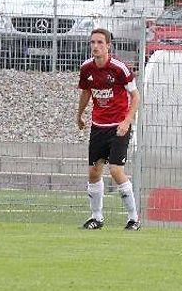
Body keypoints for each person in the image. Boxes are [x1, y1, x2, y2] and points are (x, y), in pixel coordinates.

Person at [76, 28, 141, 231]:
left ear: (108, 46)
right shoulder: (86, 68)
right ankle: (97, 217)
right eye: (92, 42)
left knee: (115, 170)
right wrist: (79, 114)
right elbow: (86, 92)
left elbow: (135, 96)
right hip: (98, 127)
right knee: (93, 172)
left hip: (118, 127)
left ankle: (133, 219)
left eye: (100, 43)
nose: (95, 46)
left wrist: (127, 121)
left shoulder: (119, 69)